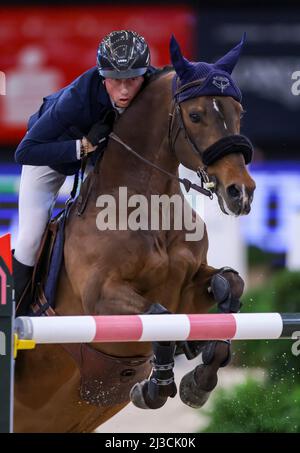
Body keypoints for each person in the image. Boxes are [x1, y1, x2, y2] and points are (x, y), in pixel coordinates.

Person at [13, 30, 156, 308]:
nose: (125, 91)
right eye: (116, 81)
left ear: (145, 73)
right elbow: (24, 152)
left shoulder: (152, 82)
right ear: (103, 77)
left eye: (132, 80)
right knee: (30, 238)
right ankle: (11, 317)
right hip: (51, 155)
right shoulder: (77, 99)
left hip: (103, 157)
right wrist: (82, 147)